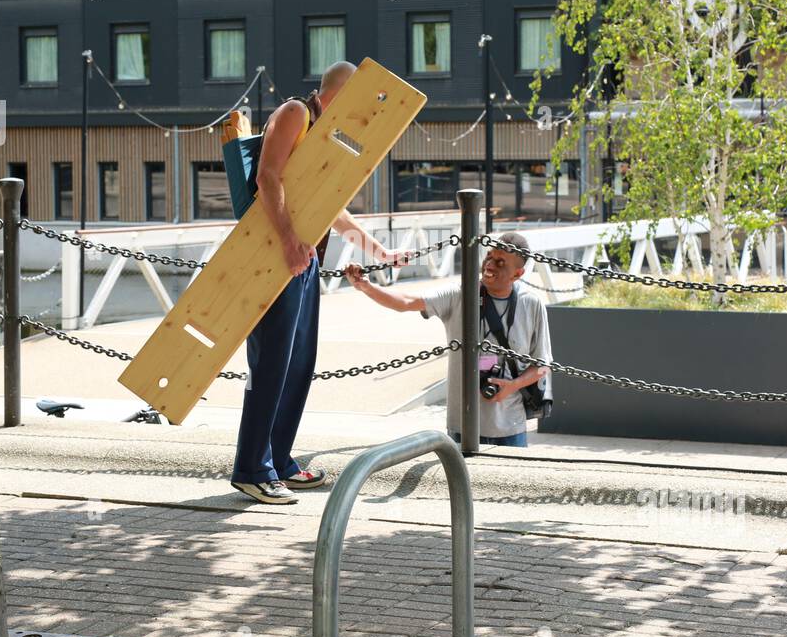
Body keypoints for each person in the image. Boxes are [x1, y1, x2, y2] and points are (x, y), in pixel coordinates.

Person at [231, 60, 404, 504]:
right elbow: (268, 177)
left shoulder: (327, 133)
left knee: (298, 365)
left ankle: (280, 460)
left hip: (304, 259)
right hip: (278, 255)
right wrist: (289, 240)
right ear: (332, 96)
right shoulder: (297, 113)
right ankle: (252, 468)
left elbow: (332, 209)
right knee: (271, 364)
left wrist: (377, 251)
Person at [345, 232, 552, 448]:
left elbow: (543, 364)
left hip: (511, 427)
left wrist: (513, 386)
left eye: (500, 262)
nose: (490, 265)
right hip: (462, 425)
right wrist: (366, 286)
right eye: (489, 256)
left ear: (517, 274)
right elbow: (406, 302)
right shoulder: (460, 294)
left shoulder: (531, 304)